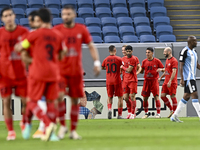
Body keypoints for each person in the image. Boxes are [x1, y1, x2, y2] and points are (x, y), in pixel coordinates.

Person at [15, 8, 67, 141]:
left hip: (37, 72)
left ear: (40, 19)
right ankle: (52, 135)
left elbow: (21, 47)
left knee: (32, 101)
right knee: (51, 103)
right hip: (53, 72)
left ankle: (47, 124)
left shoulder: (34, 34)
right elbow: (63, 52)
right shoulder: (58, 35)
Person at [53, 5, 100, 139]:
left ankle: (73, 131)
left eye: (68, 14)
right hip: (61, 72)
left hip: (76, 72)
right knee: (59, 98)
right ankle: (62, 127)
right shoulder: (56, 30)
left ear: (73, 15)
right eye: (64, 14)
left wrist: (96, 62)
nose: (66, 16)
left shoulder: (81, 29)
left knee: (75, 101)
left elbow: (91, 46)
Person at [0, 7, 29, 140]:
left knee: (26, 102)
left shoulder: (23, 32)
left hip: (21, 74)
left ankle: (23, 121)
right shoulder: (0, 33)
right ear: (2, 19)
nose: (9, 17)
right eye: (6, 16)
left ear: (14, 16)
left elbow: (30, 50)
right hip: (4, 75)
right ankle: (11, 131)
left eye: (10, 15)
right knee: (6, 102)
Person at [170, 36, 200, 122]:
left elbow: (197, 64)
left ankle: (174, 116)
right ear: (190, 42)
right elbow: (181, 65)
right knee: (195, 95)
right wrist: (182, 79)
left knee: (186, 97)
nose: (196, 42)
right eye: (195, 41)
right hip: (188, 78)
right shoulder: (184, 51)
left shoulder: (194, 51)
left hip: (192, 77)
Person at [140, 47, 164, 119]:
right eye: (146, 52)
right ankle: (146, 113)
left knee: (156, 97)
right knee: (145, 98)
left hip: (154, 81)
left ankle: (158, 114)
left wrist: (161, 69)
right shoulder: (144, 61)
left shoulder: (157, 61)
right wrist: (138, 69)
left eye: (149, 52)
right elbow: (142, 70)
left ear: (152, 53)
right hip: (146, 81)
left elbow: (164, 69)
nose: (147, 54)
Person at [102, 45, 124, 119]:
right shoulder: (119, 59)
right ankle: (119, 115)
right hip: (117, 80)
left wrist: (107, 68)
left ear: (109, 51)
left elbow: (102, 67)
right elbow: (123, 67)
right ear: (115, 50)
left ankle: (109, 109)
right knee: (120, 97)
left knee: (110, 97)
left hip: (109, 80)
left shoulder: (106, 59)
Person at [121, 45, 141, 119]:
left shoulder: (133, 59)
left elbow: (129, 70)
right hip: (125, 80)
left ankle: (133, 113)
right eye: (127, 51)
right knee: (126, 97)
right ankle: (129, 112)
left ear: (132, 51)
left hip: (132, 80)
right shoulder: (123, 59)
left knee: (132, 97)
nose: (128, 52)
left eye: (130, 51)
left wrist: (122, 67)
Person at [157, 47, 178, 118]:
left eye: (165, 52)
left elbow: (174, 72)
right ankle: (171, 110)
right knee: (162, 96)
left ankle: (175, 114)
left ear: (169, 52)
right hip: (166, 82)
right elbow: (166, 71)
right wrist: (161, 77)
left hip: (172, 82)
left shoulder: (174, 60)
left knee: (173, 97)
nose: (163, 53)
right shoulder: (167, 60)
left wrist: (170, 81)